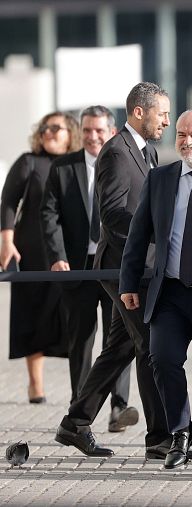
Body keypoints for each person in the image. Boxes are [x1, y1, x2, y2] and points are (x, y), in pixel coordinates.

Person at [119, 110, 192, 476]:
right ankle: (180, 433)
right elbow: (138, 235)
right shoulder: (160, 178)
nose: (187, 141)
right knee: (163, 359)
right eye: (182, 134)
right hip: (169, 292)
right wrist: (128, 284)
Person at [55, 82, 170, 459]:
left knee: (120, 347)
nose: (166, 122)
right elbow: (114, 215)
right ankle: (158, 439)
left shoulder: (147, 150)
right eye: (162, 114)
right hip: (121, 266)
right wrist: (155, 241)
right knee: (149, 345)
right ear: (139, 112)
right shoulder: (118, 152)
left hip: (136, 267)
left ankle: (75, 422)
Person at [40, 105, 138, 432]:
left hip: (113, 266)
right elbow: (48, 215)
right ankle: (78, 404)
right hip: (78, 269)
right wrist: (57, 256)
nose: (92, 136)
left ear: (111, 132)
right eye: (86, 130)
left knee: (119, 337)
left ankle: (119, 407)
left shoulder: (124, 162)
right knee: (81, 340)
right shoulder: (63, 168)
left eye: (99, 130)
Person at [0, 111, 78, 403]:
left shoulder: (79, 163)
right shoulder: (28, 162)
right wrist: (6, 241)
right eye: (45, 128)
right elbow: (8, 202)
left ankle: (78, 390)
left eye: (56, 128)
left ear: (71, 132)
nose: (49, 132)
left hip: (69, 252)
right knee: (31, 315)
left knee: (71, 319)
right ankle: (36, 385)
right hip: (31, 252)